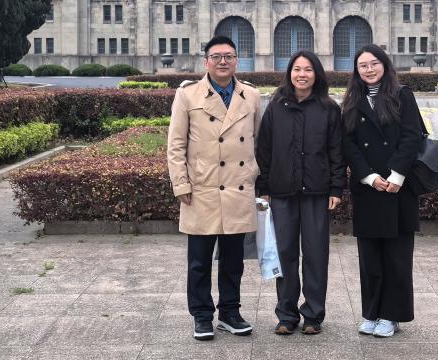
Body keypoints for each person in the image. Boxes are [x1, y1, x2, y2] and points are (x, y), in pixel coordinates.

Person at [166, 35, 262, 341]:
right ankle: (202, 316)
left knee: (234, 261)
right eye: (217, 56)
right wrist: (181, 183)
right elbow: (175, 145)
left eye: (229, 56)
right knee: (199, 261)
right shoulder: (188, 95)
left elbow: (259, 142)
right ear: (206, 61)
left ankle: (230, 313)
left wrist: (254, 175)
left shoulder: (251, 95)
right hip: (202, 188)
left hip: (238, 187)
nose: (223, 61)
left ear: (237, 61)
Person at [256, 51, 346, 336]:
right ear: (290, 74)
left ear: (316, 74)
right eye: (297, 69)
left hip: (317, 192)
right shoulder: (276, 107)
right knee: (284, 254)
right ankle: (286, 315)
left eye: (308, 69)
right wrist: (264, 187)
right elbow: (264, 149)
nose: (302, 75)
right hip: (282, 192)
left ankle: (313, 315)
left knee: (316, 255)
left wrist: (336, 187)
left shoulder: (329, 108)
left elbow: (337, 151)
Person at [340, 44, 424, 338]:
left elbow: (412, 136)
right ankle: (372, 312)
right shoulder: (352, 99)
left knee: (397, 258)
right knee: (370, 258)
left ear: (385, 65)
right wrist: (369, 176)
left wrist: (396, 174)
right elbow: (348, 143)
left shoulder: (402, 95)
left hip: (398, 188)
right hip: (368, 189)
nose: (369, 69)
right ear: (356, 71)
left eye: (374, 63)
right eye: (363, 65)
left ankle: (392, 315)